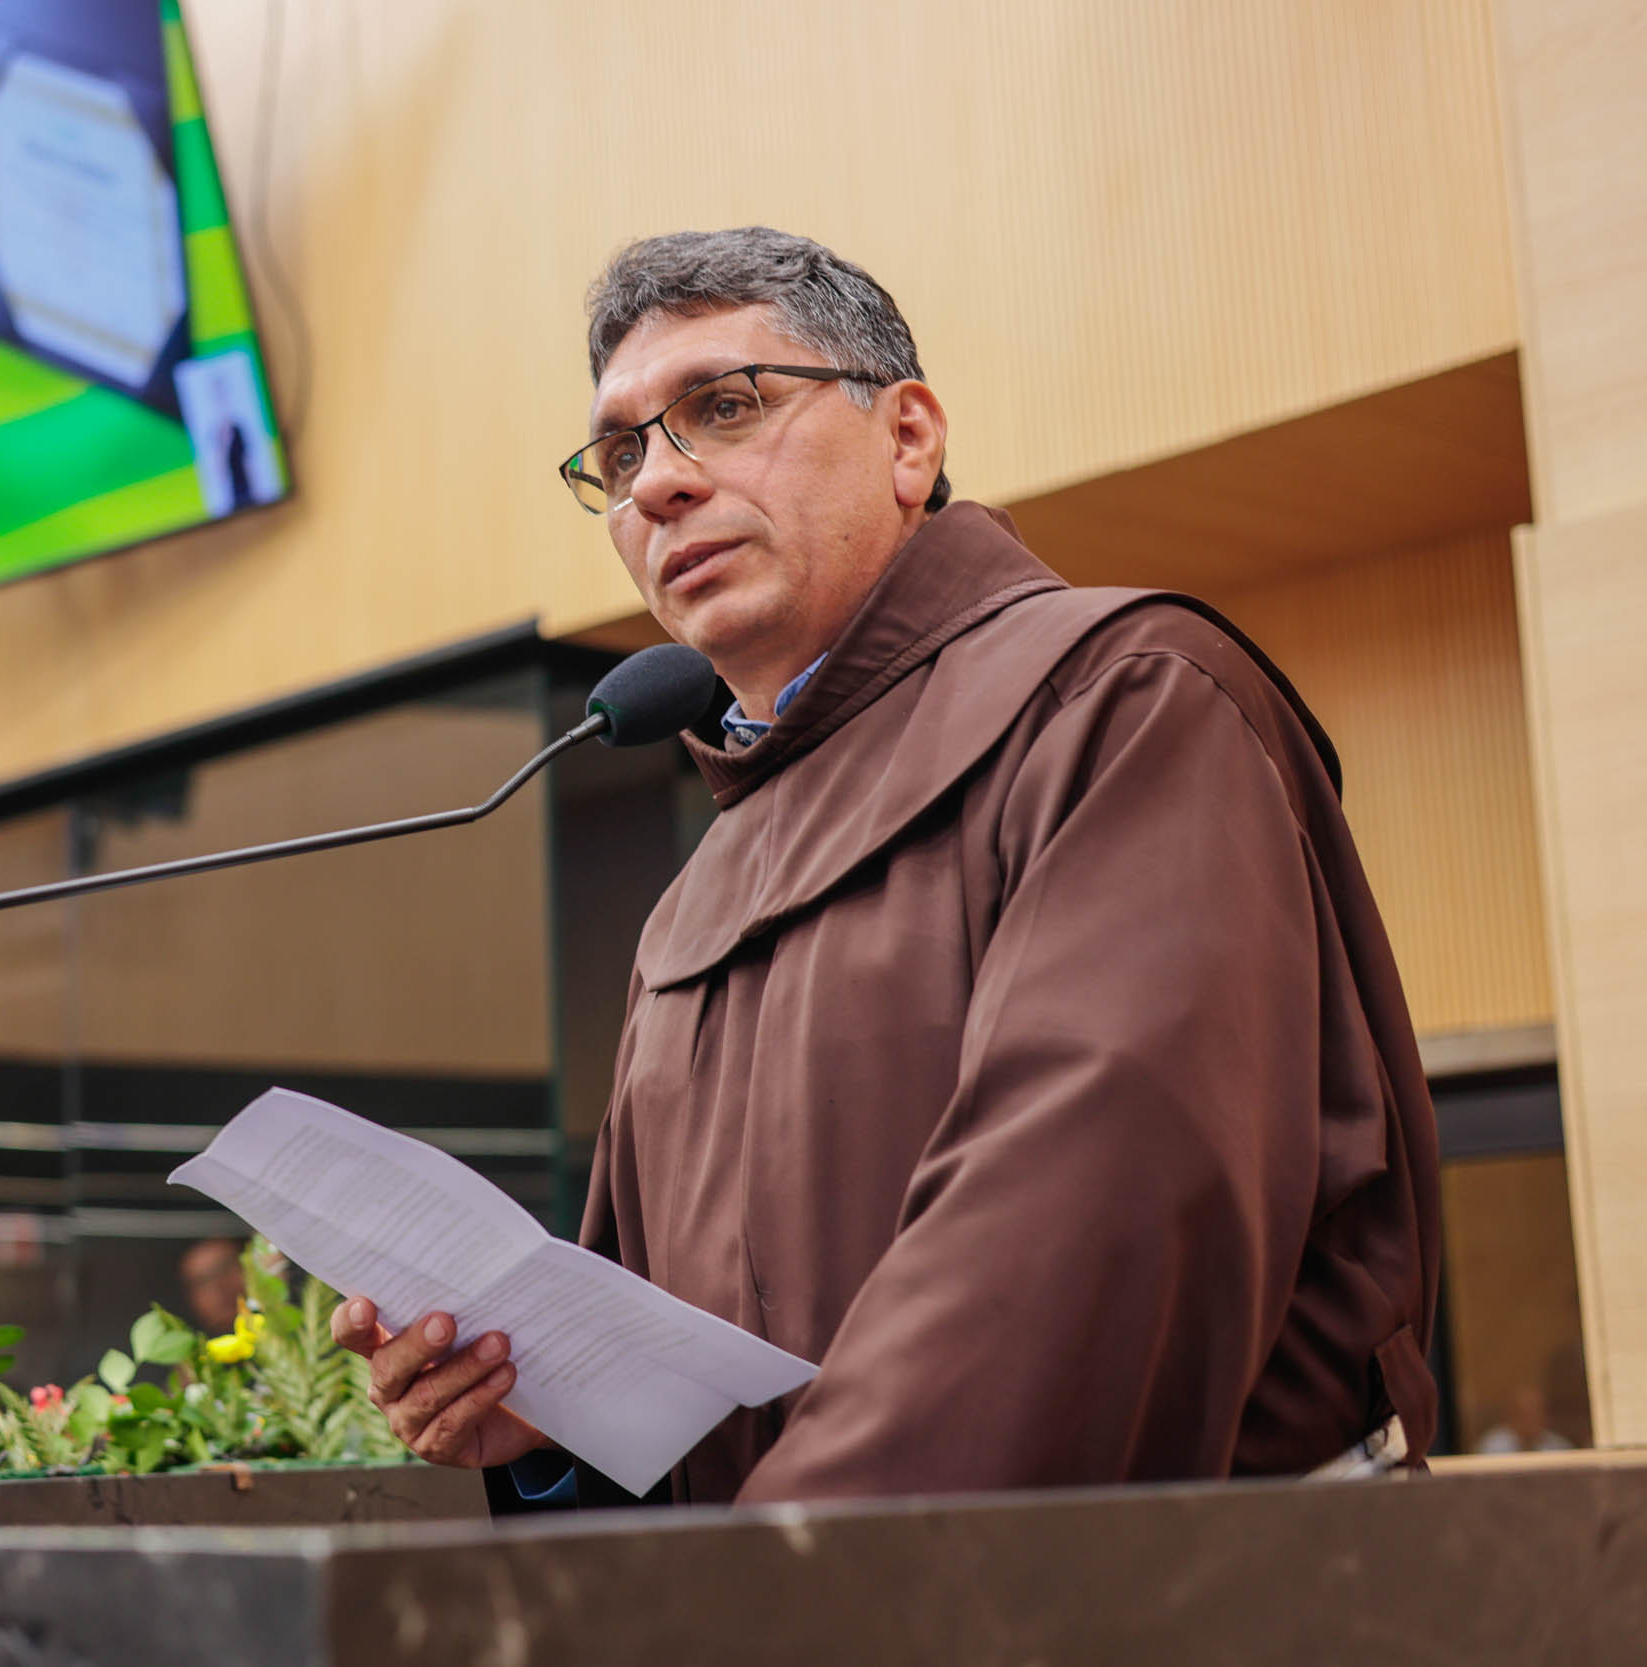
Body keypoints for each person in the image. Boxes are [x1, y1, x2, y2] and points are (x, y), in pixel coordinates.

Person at [330, 226, 1442, 1507]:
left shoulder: (1121, 700)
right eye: (623, 454)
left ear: (907, 437)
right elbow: (690, 1364)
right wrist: (555, 1420)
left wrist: (776, 1594)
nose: (654, 487)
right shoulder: (696, 897)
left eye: (724, 407)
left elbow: (1073, 1254)